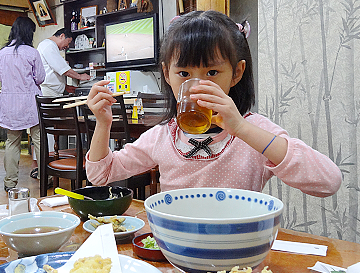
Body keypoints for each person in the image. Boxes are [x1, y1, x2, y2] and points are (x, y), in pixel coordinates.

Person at [85, 10, 342, 196]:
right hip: (178, 249)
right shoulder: (165, 136)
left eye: (212, 73)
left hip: (237, 254)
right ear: (166, 74)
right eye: (184, 74)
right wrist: (103, 124)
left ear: (237, 73)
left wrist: (241, 129)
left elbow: (328, 182)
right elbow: (100, 175)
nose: (197, 87)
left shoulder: (252, 131)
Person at [0, 16, 45, 189]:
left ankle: (10, 182)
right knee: (38, 140)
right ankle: (45, 176)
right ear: (28, 33)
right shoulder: (32, 53)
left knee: (12, 142)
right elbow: (40, 77)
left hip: (9, 104)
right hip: (30, 103)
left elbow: (1, 78)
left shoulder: (2, 53)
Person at [37, 28, 91, 97]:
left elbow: (53, 71)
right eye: (68, 42)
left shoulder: (49, 45)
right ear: (62, 36)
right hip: (49, 91)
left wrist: (65, 87)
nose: (67, 46)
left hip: (53, 90)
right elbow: (62, 69)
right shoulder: (48, 45)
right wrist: (80, 76)